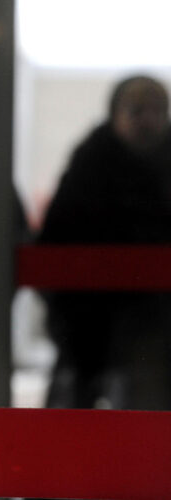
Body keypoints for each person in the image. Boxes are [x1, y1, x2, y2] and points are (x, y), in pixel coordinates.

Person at [39, 75, 171, 410]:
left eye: (157, 110)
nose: (148, 120)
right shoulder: (90, 164)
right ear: (115, 114)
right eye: (137, 110)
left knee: (146, 422)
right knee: (72, 425)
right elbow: (56, 242)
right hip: (86, 324)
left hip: (155, 328)